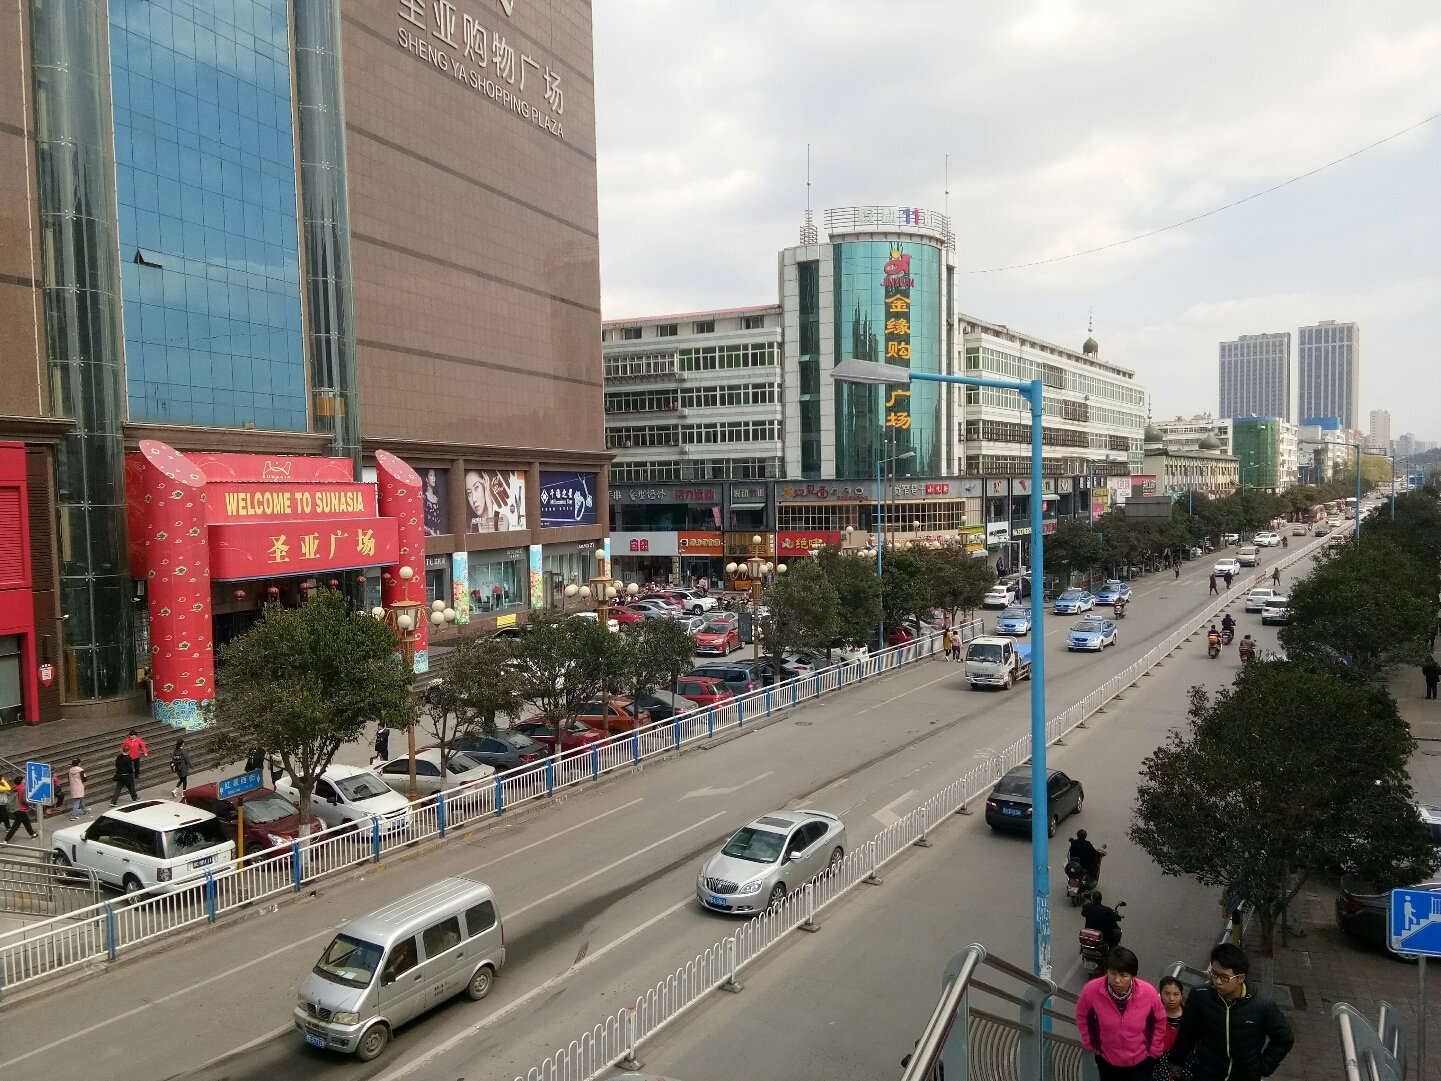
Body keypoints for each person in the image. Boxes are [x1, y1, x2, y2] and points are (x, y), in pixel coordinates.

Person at [1171, 943, 1294, 1081]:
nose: (1218, 981)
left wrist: (1263, 1067)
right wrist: (1177, 1062)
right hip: (1205, 1072)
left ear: (1241, 978)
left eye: (1224, 977)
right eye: (1214, 974)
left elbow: (1284, 1039)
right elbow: (1187, 1032)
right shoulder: (1200, 995)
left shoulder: (1262, 1006)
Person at [1075, 946, 1166, 1081]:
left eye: (1124, 976)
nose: (1117, 980)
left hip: (1141, 1062)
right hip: (1108, 1062)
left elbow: (1159, 1020)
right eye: (1113, 974)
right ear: (1106, 971)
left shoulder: (1148, 993)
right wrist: (1091, 1043)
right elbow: (1082, 1016)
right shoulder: (1091, 991)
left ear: (1132, 975)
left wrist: (1154, 1049)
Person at [1154, 976, 1187, 1081]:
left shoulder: (1189, 1014)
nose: (1171, 998)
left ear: (1181, 995)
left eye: (1176, 994)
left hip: (1182, 1060)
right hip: (1158, 1061)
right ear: (1161, 994)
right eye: (1167, 994)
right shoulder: (1153, 1013)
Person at [4, 775, 37, 840]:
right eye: (23, 780)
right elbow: (25, 800)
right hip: (21, 808)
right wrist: (30, 803)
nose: (24, 780)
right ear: (21, 781)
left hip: (15, 808)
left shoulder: (14, 788)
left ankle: (33, 834)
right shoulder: (23, 788)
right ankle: (6, 839)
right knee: (16, 826)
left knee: (26, 821)